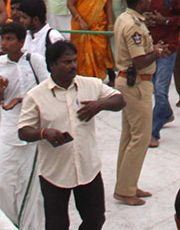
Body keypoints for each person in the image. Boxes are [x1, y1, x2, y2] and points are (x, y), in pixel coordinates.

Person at [17, 39, 127, 230]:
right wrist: (44, 133)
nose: (73, 66)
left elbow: (119, 100)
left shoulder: (90, 85)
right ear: (52, 65)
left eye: (74, 60)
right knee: (56, 225)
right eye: (66, 62)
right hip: (55, 172)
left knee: (95, 220)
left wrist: (99, 105)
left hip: (87, 168)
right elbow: (23, 131)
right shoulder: (35, 96)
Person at [111, 0, 170, 206]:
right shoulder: (133, 25)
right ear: (140, 0)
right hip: (136, 84)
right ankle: (125, 190)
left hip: (129, 81)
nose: (150, 1)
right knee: (140, 137)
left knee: (129, 136)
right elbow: (139, 59)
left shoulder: (126, 19)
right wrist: (156, 53)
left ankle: (127, 184)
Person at [0, 22, 46, 230]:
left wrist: (22, 100)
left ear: (21, 42)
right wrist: (2, 93)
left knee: (29, 185)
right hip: (9, 128)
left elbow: (47, 90)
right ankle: (9, 224)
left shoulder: (34, 61)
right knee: (1, 182)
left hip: (32, 126)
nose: (4, 43)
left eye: (10, 39)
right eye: (3, 39)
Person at [146, 0, 180, 144]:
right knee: (153, 86)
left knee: (160, 90)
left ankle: (153, 133)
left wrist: (167, 21)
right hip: (148, 47)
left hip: (167, 47)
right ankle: (167, 113)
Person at [67, 0, 114, 79]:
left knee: (100, 54)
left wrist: (110, 24)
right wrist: (80, 20)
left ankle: (100, 81)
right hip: (80, 27)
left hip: (98, 27)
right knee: (80, 56)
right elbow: (70, 4)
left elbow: (108, 7)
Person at [16, 0, 64, 76]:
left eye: (24, 18)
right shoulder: (24, 36)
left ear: (35, 20)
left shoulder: (53, 37)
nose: (21, 20)